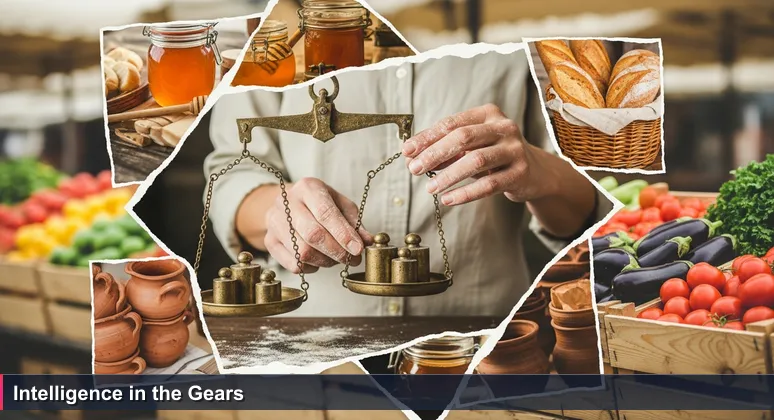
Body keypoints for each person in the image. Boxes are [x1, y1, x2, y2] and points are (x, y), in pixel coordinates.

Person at [204, 48, 612, 317]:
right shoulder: (274, 40)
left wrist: (541, 173)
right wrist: (275, 209)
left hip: (484, 335)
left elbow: (587, 214)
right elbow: (232, 169)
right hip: (314, 334)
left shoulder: (512, 34)